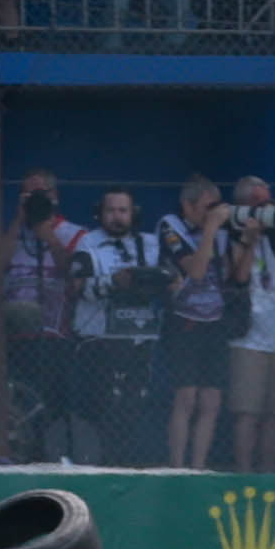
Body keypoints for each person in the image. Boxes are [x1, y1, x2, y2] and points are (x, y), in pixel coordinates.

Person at [68, 188, 164, 465]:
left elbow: (166, 276)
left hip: (138, 337)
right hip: (99, 337)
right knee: (101, 404)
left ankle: (127, 463)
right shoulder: (88, 243)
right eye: (111, 210)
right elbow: (78, 286)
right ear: (100, 212)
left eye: (123, 210)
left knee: (134, 404)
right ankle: (98, 464)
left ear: (134, 213)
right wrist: (113, 282)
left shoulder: (150, 244)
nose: (117, 217)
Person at [4, 168, 90, 452]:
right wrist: (20, 218)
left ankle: (54, 459)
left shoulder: (75, 233)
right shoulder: (12, 234)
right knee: (16, 409)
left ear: (54, 197)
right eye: (28, 195)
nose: (35, 201)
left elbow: (74, 274)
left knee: (54, 406)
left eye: (41, 195)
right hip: (15, 336)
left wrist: (49, 236)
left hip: (56, 336)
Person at [156, 175, 231, 469]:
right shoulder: (170, 226)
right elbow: (196, 271)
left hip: (215, 320)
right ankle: (177, 466)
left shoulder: (221, 232)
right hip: (184, 319)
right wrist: (211, 228)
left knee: (211, 401)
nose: (212, 212)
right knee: (186, 397)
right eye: (206, 207)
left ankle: (198, 467)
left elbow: (232, 273)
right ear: (187, 205)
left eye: (216, 207)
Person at [224, 176, 275, 473]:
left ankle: (267, 471)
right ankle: (244, 471)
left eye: (270, 203)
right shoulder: (230, 233)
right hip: (248, 336)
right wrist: (250, 240)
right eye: (260, 204)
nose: (267, 209)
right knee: (248, 413)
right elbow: (238, 277)